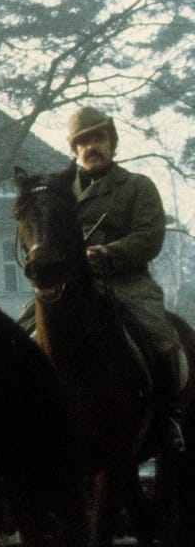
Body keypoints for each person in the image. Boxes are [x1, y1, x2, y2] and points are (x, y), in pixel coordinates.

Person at [32, 106, 186, 457]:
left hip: (125, 283)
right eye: (83, 142)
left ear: (112, 143)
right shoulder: (60, 195)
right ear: (74, 150)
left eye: (98, 138)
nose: (91, 147)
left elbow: (150, 236)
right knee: (21, 332)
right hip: (69, 286)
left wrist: (109, 252)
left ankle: (167, 421)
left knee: (159, 337)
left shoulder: (137, 187)